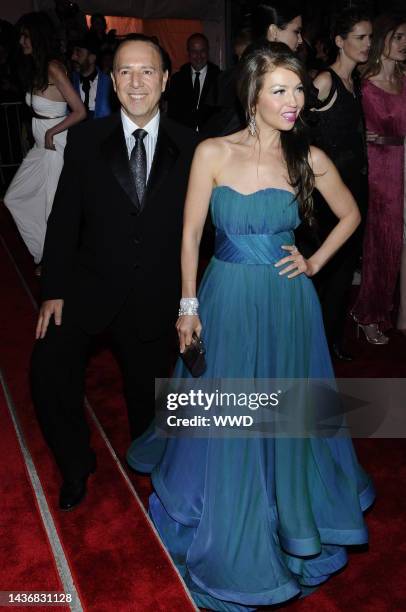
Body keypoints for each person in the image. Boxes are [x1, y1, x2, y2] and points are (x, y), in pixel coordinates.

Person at [127, 41, 375, 610]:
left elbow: (352, 214)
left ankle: (286, 516)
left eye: (298, 92)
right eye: (281, 91)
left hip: (288, 302)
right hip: (227, 295)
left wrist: (313, 261)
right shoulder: (212, 151)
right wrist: (188, 306)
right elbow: (190, 235)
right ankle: (229, 508)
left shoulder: (306, 157)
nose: (294, 103)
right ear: (253, 95)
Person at [30, 35, 199, 512]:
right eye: (125, 71)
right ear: (113, 80)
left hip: (155, 295)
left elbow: (208, 226)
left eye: (147, 71)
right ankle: (76, 464)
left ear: (165, 80)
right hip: (90, 286)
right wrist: (53, 290)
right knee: (47, 367)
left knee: (149, 403)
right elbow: (64, 220)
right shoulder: (86, 139)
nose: (136, 82)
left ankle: (155, 467)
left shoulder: (192, 146)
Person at [306, 8, 372, 360]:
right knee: (328, 271)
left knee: (345, 271)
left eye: (369, 37)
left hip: (356, 189)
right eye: (360, 37)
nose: (367, 44)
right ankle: (319, 342)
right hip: (328, 194)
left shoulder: (355, 83)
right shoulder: (325, 81)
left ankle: (332, 339)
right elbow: (300, 134)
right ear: (339, 41)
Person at [3, 12, 86, 271]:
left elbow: (80, 110)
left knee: (53, 207)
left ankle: (55, 261)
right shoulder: (37, 68)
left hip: (55, 145)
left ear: (37, 37)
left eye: (26, 36)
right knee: (14, 197)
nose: (21, 41)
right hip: (41, 146)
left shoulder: (53, 67)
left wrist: (51, 133)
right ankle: (47, 251)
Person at [351, 13, 406, 343]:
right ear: (383, 38)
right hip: (378, 169)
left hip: (403, 163)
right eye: (398, 36)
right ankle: (367, 314)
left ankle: (387, 310)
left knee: (396, 244)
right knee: (381, 243)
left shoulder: (405, 81)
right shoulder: (363, 83)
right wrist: (362, 136)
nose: (404, 44)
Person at [167, 32, 220, 131]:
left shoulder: (219, 78)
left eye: (202, 50)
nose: (199, 56)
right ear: (188, 53)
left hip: (211, 138)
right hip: (183, 138)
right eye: (194, 51)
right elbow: (172, 114)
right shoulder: (177, 80)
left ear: (208, 51)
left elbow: (223, 114)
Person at [71, 35, 112, 119]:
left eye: (78, 53)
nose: (73, 57)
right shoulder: (69, 81)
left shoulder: (109, 83)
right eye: (73, 53)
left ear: (92, 58)